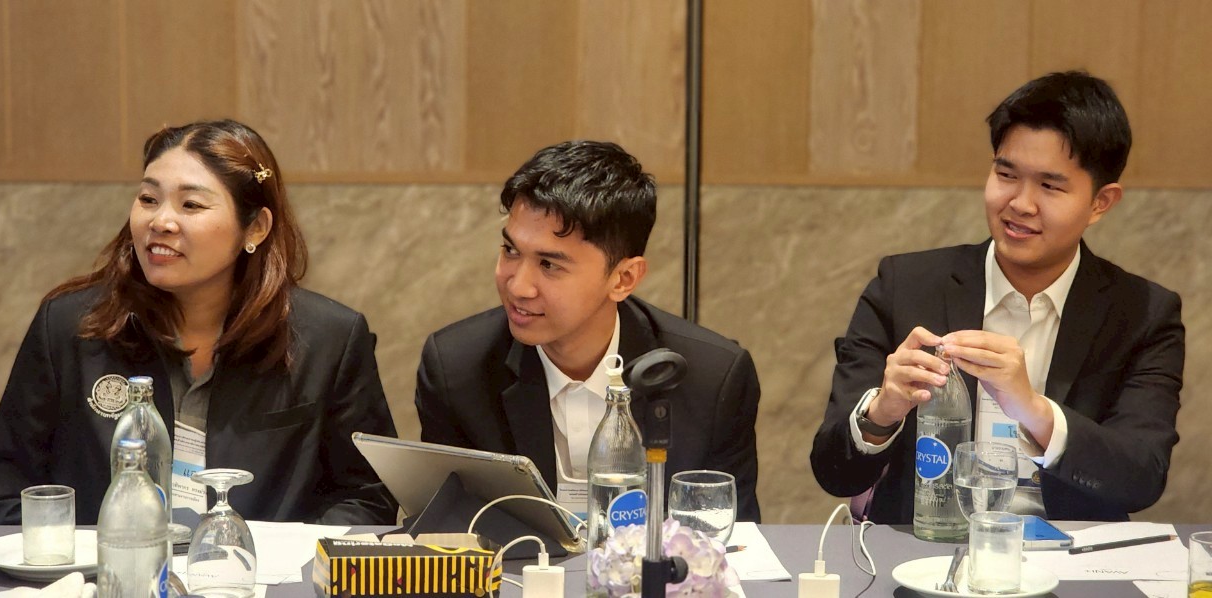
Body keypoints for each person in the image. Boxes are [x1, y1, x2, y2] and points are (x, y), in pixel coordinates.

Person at [0, 120, 398, 526]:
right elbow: (6, 493)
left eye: (191, 204)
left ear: (255, 228)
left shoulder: (328, 338)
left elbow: (366, 497)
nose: (160, 221)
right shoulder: (72, 326)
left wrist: (289, 562)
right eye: (148, 199)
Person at [811, 71, 1184, 523]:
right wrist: (883, 411)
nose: (1020, 204)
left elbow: (1141, 476)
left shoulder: (1142, 314)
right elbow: (833, 473)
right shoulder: (905, 286)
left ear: (1100, 202)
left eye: (1050, 186)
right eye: (1006, 174)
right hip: (925, 548)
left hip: (1071, 552)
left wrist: (1033, 409)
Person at [415, 140, 762, 522]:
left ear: (623, 278)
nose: (518, 286)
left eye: (549, 265)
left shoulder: (712, 379)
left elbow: (730, 537)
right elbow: (445, 530)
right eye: (511, 251)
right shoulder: (457, 369)